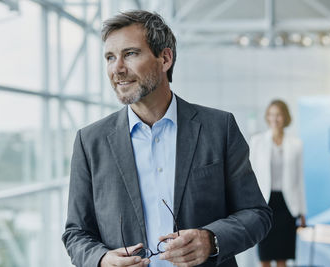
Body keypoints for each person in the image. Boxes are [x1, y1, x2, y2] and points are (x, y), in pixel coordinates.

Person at [61, 10, 272, 267]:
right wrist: (102, 259)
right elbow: (76, 233)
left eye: (130, 54)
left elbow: (256, 214)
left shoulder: (218, 128)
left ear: (165, 58)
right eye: (109, 57)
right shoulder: (90, 141)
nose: (117, 68)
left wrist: (211, 240)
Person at [249, 100, 307, 267]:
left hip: (287, 205)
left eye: (279, 115)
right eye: (271, 114)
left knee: (283, 256)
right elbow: (250, 176)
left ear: (285, 117)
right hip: (264, 204)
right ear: (267, 117)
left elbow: (299, 179)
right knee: (265, 256)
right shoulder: (257, 141)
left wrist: (302, 211)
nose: (275, 118)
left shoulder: (296, 144)